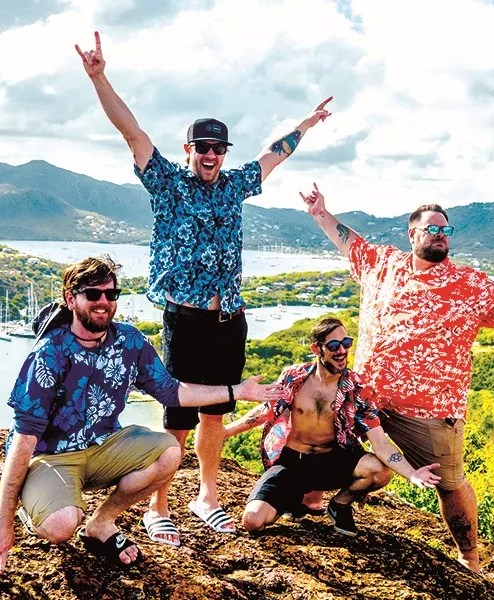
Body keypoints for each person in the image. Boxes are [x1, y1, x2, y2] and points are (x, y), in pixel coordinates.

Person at [74, 30, 333, 544]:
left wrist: (304, 125)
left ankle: (207, 496)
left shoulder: (235, 185)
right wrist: (100, 78)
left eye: (218, 148)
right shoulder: (168, 183)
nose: (211, 155)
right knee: (177, 414)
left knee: (216, 411)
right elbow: (131, 132)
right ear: (188, 149)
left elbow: (273, 155)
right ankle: (157, 505)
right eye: (203, 147)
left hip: (228, 317)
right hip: (186, 318)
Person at [300, 184, 494, 571]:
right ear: (412, 234)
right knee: (318, 433)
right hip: (366, 394)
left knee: (449, 484)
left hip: (430, 409)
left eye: (445, 230)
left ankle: (469, 556)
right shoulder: (382, 263)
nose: (440, 234)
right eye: (432, 228)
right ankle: (313, 500)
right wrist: (320, 212)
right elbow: (348, 242)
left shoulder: (467, 284)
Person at [0, 256, 281, 574]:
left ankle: (101, 522)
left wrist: (237, 391)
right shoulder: (50, 353)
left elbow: (172, 391)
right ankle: (35, 507)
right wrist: (2, 521)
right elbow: (24, 438)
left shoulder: (129, 342)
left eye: (111, 294)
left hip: (103, 446)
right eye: (92, 294)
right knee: (61, 525)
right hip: (51, 457)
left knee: (169, 451)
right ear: (71, 299)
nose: (103, 302)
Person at [224, 317, 441, 537]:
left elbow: (381, 444)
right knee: (253, 521)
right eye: (334, 345)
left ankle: (340, 504)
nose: (342, 351)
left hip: (331, 461)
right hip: (292, 463)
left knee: (380, 470)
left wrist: (412, 474)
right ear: (316, 349)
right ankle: (293, 499)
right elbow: (265, 411)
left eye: (346, 343)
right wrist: (225, 432)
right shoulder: (294, 378)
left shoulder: (357, 389)